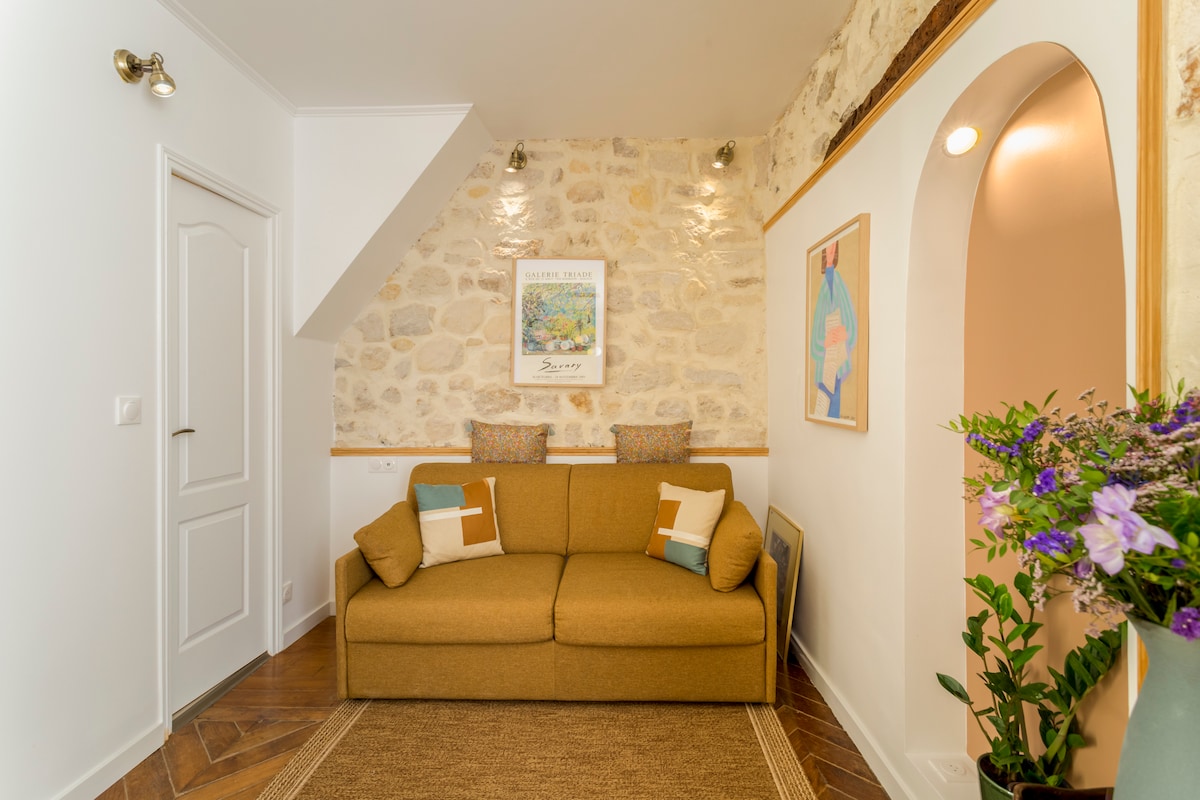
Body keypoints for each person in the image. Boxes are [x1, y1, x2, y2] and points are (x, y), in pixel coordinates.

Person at [809, 240, 857, 418]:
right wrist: (825, 341)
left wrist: (840, 334)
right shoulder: (823, 286)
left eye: (833, 248)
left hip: (836, 362)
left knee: (834, 402)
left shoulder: (839, 283)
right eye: (827, 249)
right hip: (824, 365)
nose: (830, 251)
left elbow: (850, 322)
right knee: (824, 403)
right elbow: (815, 332)